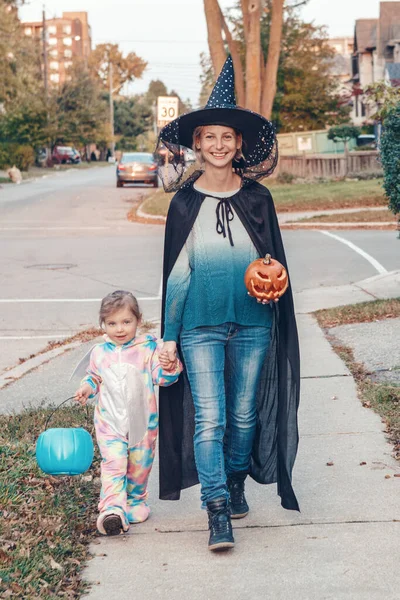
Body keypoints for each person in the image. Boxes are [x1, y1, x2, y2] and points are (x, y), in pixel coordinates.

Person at [157, 56, 301, 552]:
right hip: (199, 325)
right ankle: (217, 508)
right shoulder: (183, 204)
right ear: (196, 144)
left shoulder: (258, 199)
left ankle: (236, 479)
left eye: (227, 137)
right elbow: (178, 277)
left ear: (239, 143)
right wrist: (169, 337)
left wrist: (276, 287)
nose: (217, 145)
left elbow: (273, 262)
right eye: (208, 137)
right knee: (211, 419)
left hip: (255, 323)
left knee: (242, 418)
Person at [74, 290, 182, 536]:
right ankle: (111, 510)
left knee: (139, 466)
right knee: (113, 463)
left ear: (138, 320)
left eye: (126, 322)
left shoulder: (148, 349)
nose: (119, 329)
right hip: (109, 423)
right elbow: (93, 378)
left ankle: (135, 501)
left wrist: (169, 365)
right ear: (103, 324)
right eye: (112, 323)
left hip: (142, 423)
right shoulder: (99, 353)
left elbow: (163, 378)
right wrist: (86, 388)